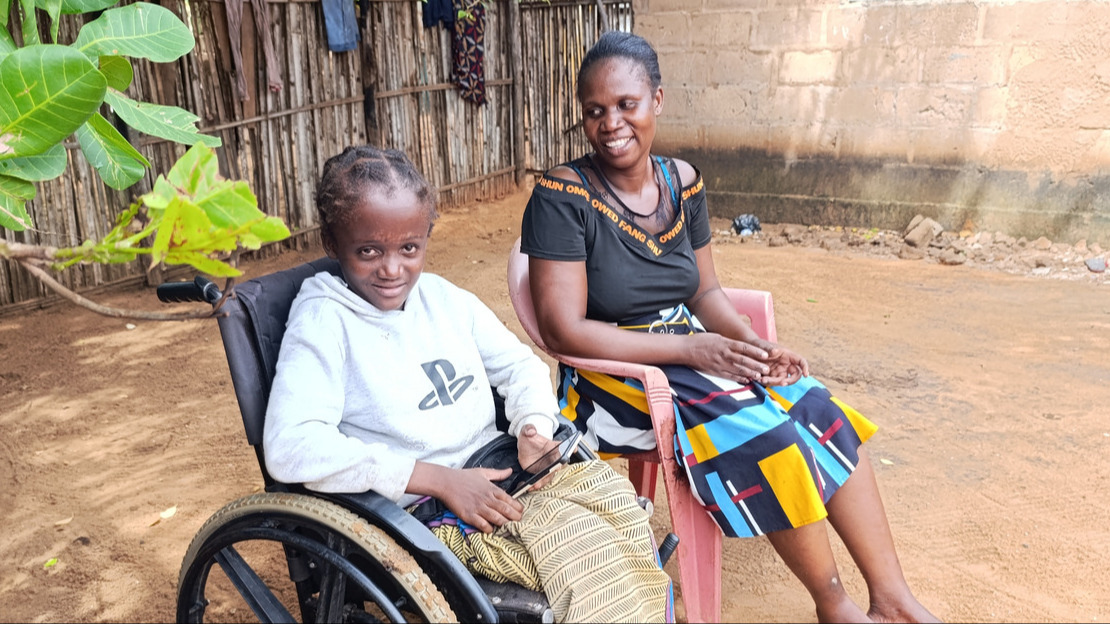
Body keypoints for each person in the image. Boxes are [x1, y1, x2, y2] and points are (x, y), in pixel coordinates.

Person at [519, 31, 939, 624]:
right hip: (610, 374)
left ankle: (893, 598)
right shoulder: (564, 193)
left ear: (657, 100)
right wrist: (692, 350)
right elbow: (563, 332)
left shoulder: (683, 181)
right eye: (594, 110)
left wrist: (754, 346)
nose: (611, 122)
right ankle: (834, 605)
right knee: (768, 436)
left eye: (626, 105)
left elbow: (705, 292)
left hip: (693, 350)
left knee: (821, 412)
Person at [263, 145, 672, 623]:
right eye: (368, 251)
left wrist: (531, 427)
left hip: (502, 471)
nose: (392, 269)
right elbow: (291, 445)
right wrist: (438, 478)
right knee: (587, 560)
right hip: (422, 514)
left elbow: (519, 365)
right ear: (334, 245)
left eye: (409, 248)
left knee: (618, 511)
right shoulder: (323, 323)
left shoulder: (442, 299)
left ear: (426, 237)